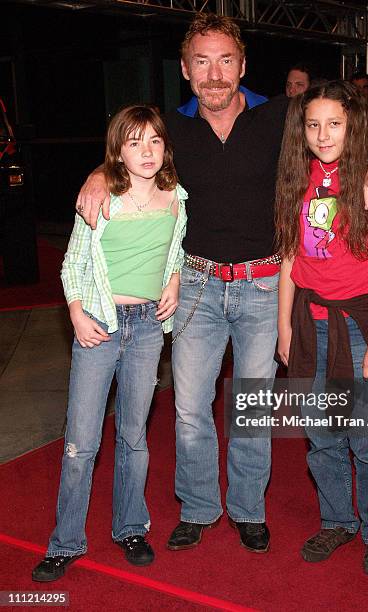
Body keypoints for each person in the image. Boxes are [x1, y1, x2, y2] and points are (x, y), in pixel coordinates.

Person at [75, 13, 368, 555]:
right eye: (202, 61)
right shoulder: (171, 129)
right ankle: (199, 508)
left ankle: (248, 509)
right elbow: (125, 149)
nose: (215, 73)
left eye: (226, 60)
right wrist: (95, 174)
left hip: (265, 284)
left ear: (242, 65)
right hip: (195, 288)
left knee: (251, 407)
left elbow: (346, 120)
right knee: (189, 408)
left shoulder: (280, 116)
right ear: (185, 69)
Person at [32, 104, 187, 582]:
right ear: (118, 150)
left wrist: (175, 279)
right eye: (135, 142)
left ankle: (130, 528)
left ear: (165, 148)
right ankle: (66, 542)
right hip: (98, 325)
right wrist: (77, 314)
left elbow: (176, 250)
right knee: (81, 442)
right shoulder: (101, 199)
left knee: (134, 437)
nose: (146, 151)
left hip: (146, 330)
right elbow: (71, 265)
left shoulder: (177, 197)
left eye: (155, 141)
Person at [276, 81, 368, 575]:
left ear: (354, 127)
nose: (322, 134)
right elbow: (290, 258)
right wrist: (284, 328)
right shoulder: (298, 180)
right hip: (310, 324)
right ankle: (338, 520)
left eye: (334, 123)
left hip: (362, 326)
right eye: (313, 124)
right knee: (321, 436)